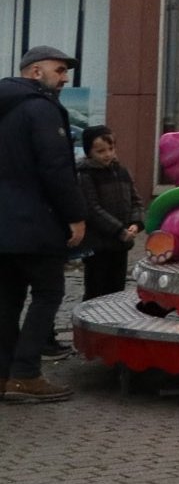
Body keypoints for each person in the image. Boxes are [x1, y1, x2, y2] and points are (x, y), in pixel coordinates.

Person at [0, 46, 88, 403]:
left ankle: (3, 374)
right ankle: (26, 374)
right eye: (59, 70)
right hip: (35, 223)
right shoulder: (41, 110)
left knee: (6, 300)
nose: (65, 78)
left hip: (4, 226)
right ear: (36, 72)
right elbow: (55, 170)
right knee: (48, 293)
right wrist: (75, 216)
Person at [75, 126, 143, 302]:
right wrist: (119, 230)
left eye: (111, 149)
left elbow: (135, 200)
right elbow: (92, 209)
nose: (107, 154)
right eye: (101, 151)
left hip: (121, 243)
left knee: (116, 289)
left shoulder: (122, 171)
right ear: (89, 152)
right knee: (96, 289)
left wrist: (135, 223)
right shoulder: (86, 174)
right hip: (98, 244)